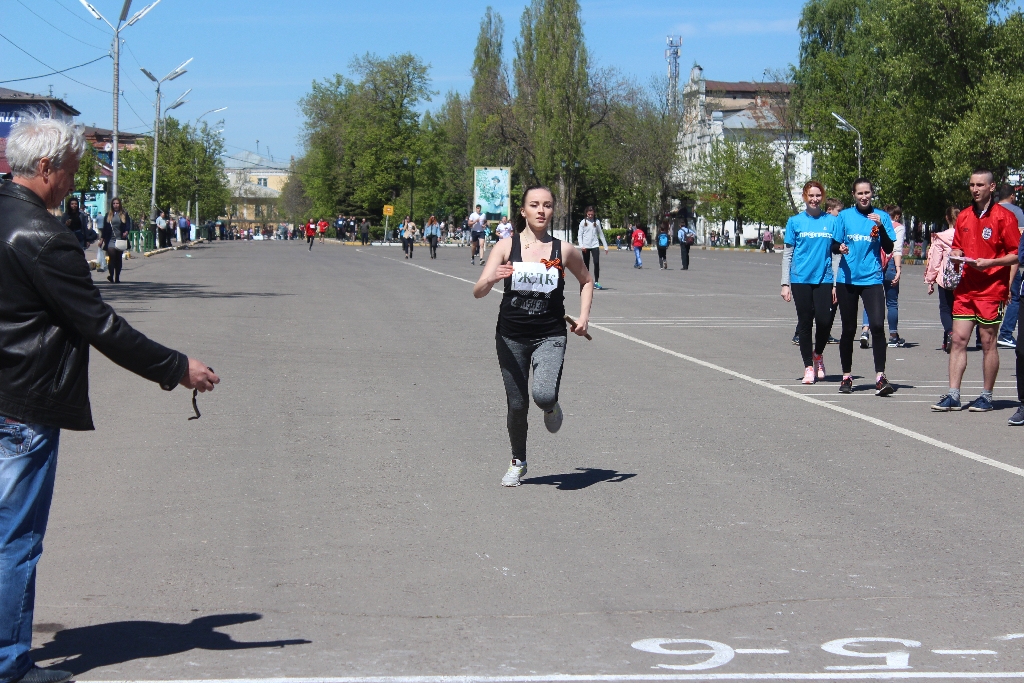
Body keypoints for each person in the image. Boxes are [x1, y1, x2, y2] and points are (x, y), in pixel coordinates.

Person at [0, 114, 219, 683]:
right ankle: (8, 665)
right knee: (14, 540)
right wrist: (177, 368)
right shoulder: (46, 239)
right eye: (71, 171)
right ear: (44, 167)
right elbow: (101, 326)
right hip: (20, 405)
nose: (73, 182)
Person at [472, 186, 594, 487]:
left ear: (553, 210)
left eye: (547, 205)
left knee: (543, 394)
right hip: (510, 336)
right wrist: (492, 277)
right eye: (535, 204)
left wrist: (583, 318)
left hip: (549, 334)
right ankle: (518, 461)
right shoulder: (506, 246)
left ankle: (551, 406)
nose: (541, 210)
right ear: (523, 210)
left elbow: (586, 280)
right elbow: (478, 291)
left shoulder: (564, 250)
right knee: (517, 404)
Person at [932, 168, 1020, 412]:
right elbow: (958, 246)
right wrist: (956, 253)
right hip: (965, 288)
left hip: (992, 289)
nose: (975, 189)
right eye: (972, 185)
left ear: (992, 187)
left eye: (980, 185)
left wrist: (990, 263)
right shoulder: (964, 216)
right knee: (958, 339)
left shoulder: (1005, 217)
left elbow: (1016, 254)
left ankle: (986, 396)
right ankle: (953, 394)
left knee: (988, 342)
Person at [832, 177, 897, 396]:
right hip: (847, 279)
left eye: (867, 192)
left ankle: (880, 377)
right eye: (859, 193)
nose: (864, 196)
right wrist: (840, 248)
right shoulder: (844, 216)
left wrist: (881, 226)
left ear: (872, 193)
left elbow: (888, 247)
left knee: (877, 325)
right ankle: (847, 376)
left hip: (872, 279)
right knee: (849, 329)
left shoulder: (881, 217)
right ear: (854, 195)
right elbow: (833, 245)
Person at [781, 181, 837, 385]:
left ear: (823, 197)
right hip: (800, 279)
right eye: (811, 195)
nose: (814, 199)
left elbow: (836, 253)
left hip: (824, 278)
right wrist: (785, 283)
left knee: (824, 321)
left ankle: (818, 354)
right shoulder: (795, 221)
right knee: (805, 322)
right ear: (805, 197)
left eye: (818, 195)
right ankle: (808, 367)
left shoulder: (831, 221)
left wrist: (836, 283)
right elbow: (787, 254)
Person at [858, 205, 906, 348]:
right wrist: (898, 268)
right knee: (892, 302)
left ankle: (865, 331)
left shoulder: (873, 224)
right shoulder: (898, 227)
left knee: (869, 300)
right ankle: (893, 336)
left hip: (874, 264)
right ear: (896, 216)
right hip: (890, 263)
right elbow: (897, 249)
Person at [924, 207, 959, 353]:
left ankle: (950, 332)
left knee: (945, 308)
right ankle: (947, 340)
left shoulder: (941, 237)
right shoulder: (965, 236)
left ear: (947, 218)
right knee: (957, 310)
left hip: (945, 278)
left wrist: (930, 281)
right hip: (961, 279)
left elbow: (935, 262)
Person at [996, 185, 1024, 348]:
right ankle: (1006, 333)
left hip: (992, 261)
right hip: (1010, 260)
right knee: (1015, 297)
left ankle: (981, 336)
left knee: (989, 295)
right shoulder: (1017, 212)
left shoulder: (991, 210)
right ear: (1012, 196)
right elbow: (1019, 244)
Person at [576, 206, 608, 289]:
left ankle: (596, 282)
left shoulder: (597, 221)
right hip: (585, 246)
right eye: (589, 214)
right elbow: (579, 235)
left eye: (592, 214)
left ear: (594, 214)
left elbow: (601, 234)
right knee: (586, 264)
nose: (590, 216)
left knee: (596, 263)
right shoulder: (583, 222)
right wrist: (581, 245)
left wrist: (605, 246)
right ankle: (587, 281)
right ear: (586, 213)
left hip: (595, 245)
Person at [101, 198, 132, 284]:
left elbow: (128, 225)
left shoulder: (124, 214)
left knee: (118, 258)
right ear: (112, 205)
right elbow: (105, 228)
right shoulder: (108, 215)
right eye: (114, 203)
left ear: (120, 204)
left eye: (117, 203)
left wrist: (126, 232)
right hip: (110, 239)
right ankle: (111, 275)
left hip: (120, 239)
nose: (115, 205)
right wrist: (102, 239)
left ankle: (117, 277)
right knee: (112, 257)